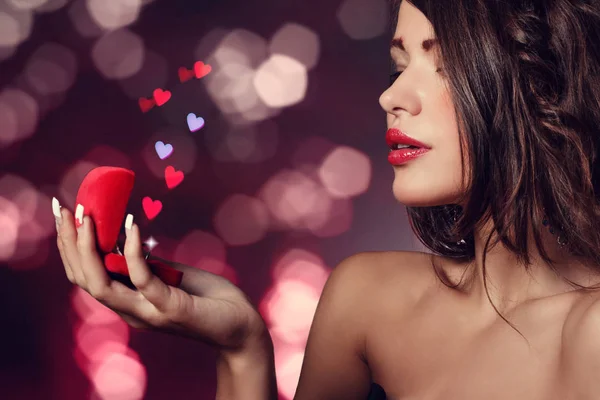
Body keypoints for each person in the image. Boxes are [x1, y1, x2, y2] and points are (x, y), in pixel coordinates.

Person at [54, 0, 600, 398]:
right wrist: (242, 346)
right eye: (397, 65)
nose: (390, 96)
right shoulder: (365, 298)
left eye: (443, 62)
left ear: (542, 84)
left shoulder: (590, 337)